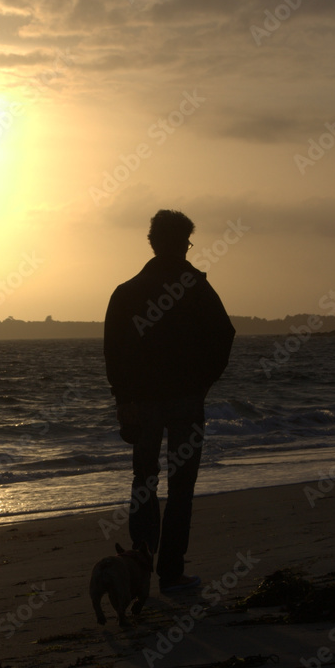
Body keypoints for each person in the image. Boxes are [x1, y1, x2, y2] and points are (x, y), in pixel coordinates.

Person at [103, 209, 235, 593]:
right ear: (182, 244)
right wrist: (202, 383)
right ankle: (171, 574)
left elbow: (114, 352)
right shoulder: (195, 287)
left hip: (143, 402)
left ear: (152, 242)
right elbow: (225, 334)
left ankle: (141, 568)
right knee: (181, 487)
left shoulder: (127, 291)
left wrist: (123, 397)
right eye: (188, 243)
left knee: (143, 481)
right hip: (184, 401)